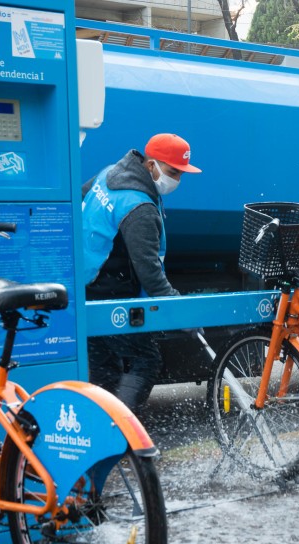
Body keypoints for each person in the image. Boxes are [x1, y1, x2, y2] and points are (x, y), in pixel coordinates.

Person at [81, 133, 201, 410]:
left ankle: (101, 438)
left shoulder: (110, 173)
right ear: (150, 165)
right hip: (112, 295)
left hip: (87, 285)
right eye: (173, 172)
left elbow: (79, 198)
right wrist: (180, 312)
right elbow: (151, 275)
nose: (177, 181)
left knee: (104, 368)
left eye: (182, 174)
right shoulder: (140, 208)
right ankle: (121, 436)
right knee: (146, 360)